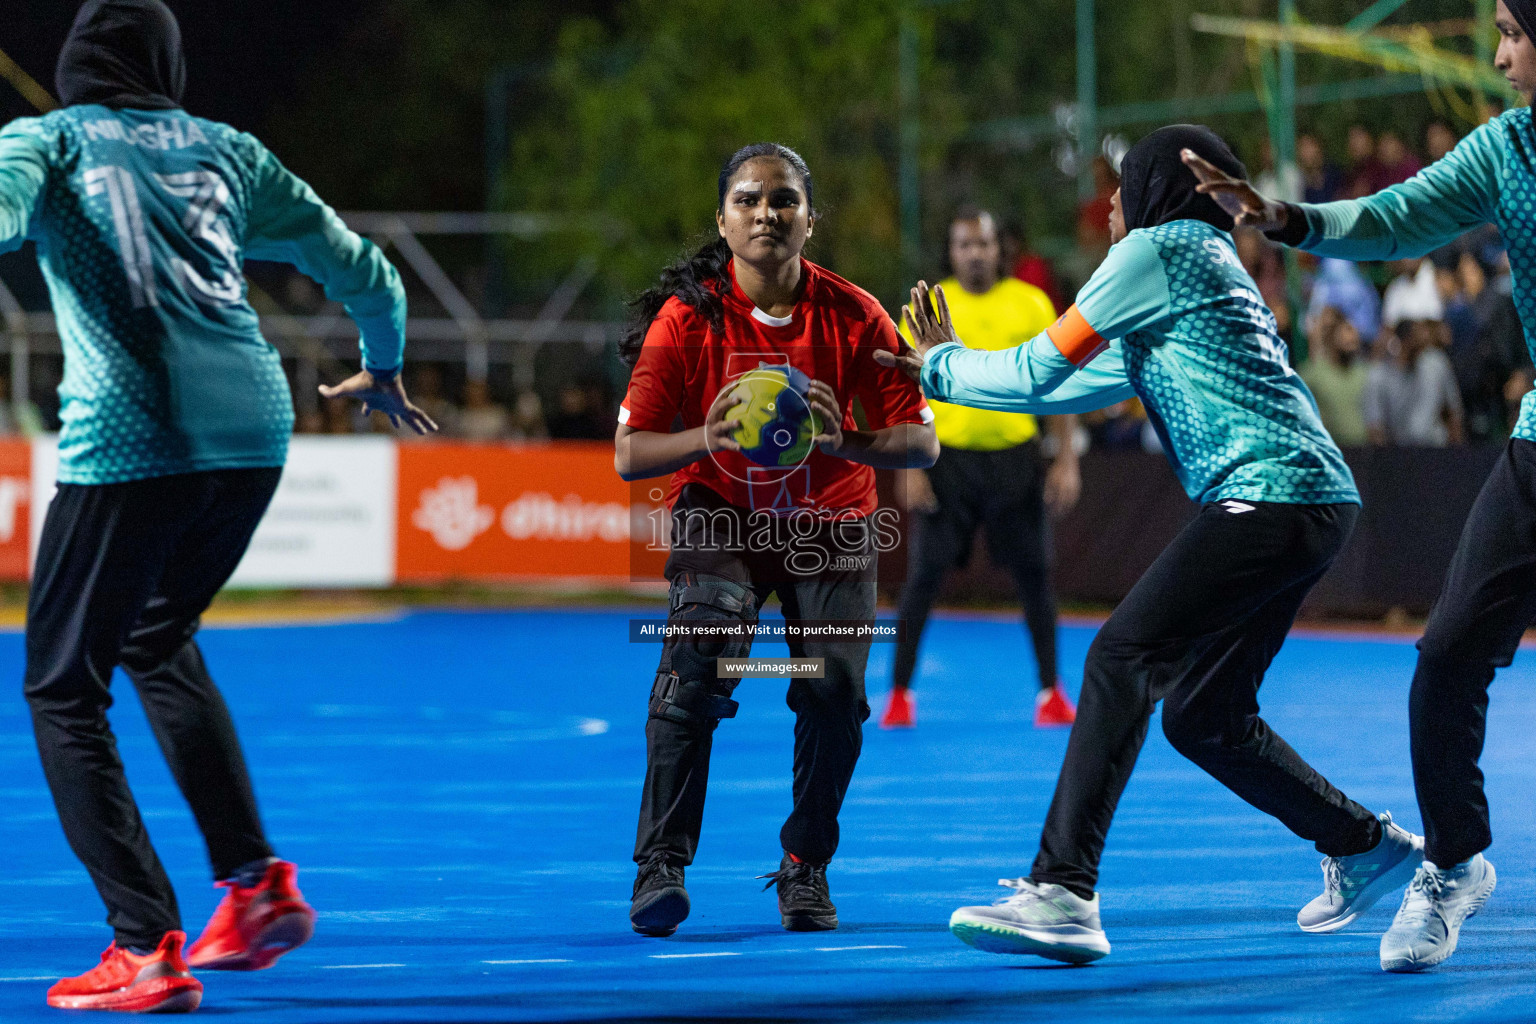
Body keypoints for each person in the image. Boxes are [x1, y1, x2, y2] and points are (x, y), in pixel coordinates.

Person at [880, 125, 1423, 966]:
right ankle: (1364, 846)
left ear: (1156, 190)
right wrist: (946, 369)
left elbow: (1032, 374)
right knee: (1206, 716)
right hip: (1314, 500)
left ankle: (1063, 891)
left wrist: (939, 367)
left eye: (1122, 182)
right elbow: (1075, 386)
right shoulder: (1204, 258)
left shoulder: (1155, 253)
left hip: (1268, 495)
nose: (1108, 202)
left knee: (1118, 658)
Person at [0, 1, 436, 1012]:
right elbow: (365, 269)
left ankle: (141, 944)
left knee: (63, 687)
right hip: (255, 429)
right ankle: (255, 885)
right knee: (154, 638)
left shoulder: (50, 138)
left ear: (74, 69)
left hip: (133, 433)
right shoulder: (225, 150)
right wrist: (381, 368)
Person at [1182, 0, 1536, 970]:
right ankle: (1455, 863)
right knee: (1447, 662)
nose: (1500, 57)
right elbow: (1392, 217)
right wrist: (1286, 218)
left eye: (1513, 33)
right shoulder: (1509, 149)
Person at [615, 143, 938, 939]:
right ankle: (662, 866)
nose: (767, 213)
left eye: (784, 200)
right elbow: (628, 454)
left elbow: (921, 445)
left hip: (831, 527)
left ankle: (805, 864)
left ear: (809, 220)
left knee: (832, 693)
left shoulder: (857, 315)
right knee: (694, 663)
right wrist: (707, 434)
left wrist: (846, 440)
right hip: (722, 517)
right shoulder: (687, 317)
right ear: (723, 221)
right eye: (751, 200)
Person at [882, 207, 1080, 731]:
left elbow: (1057, 383)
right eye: (964, 245)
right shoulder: (926, 308)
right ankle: (899, 695)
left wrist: (1065, 459)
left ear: (999, 250)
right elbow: (903, 391)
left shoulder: (1032, 303)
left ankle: (1051, 694)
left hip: (1016, 460)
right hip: (945, 462)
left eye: (983, 244)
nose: (974, 254)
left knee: (1036, 577)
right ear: (951, 252)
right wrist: (909, 464)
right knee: (923, 577)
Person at [1300, 306, 1369, 446]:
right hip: (1328, 452)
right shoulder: (1312, 373)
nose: (1351, 336)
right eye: (1344, 330)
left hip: (1364, 452)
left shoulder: (1365, 373)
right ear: (1332, 336)